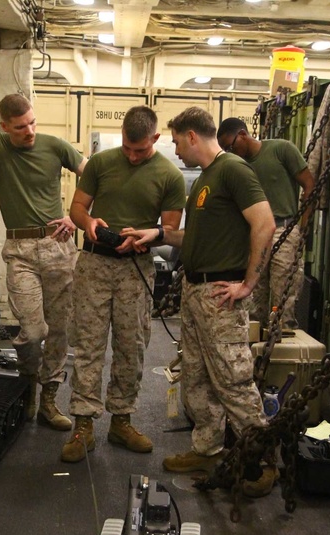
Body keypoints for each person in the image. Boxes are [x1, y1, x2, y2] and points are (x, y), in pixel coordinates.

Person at [122, 107, 275, 479]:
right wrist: (156, 234)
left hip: (221, 294)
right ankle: (207, 448)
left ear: (192, 136)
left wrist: (249, 283)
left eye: (175, 141)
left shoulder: (233, 170)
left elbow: (265, 222)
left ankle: (263, 464)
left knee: (233, 380)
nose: (174, 151)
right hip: (196, 290)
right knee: (197, 376)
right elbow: (195, 238)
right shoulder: (208, 179)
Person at [62, 106, 186, 463]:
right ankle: (83, 424)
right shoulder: (101, 164)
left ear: (156, 140)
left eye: (141, 150)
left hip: (136, 268)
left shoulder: (169, 175)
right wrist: (88, 221)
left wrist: (145, 238)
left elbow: (170, 228)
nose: (132, 156)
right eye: (128, 149)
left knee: (131, 345)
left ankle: (121, 419)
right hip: (95, 263)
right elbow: (77, 209)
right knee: (88, 343)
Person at [0, 93, 85, 432]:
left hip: (58, 246)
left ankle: (49, 397)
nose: (29, 131)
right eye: (20, 127)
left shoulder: (55, 145)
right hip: (20, 250)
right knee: (33, 331)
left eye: (32, 122)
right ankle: (27, 384)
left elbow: (93, 176)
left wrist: (78, 217)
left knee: (60, 329)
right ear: (4, 127)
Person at [216, 118, 315, 330]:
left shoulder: (281, 149)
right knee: (254, 294)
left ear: (243, 134)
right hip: (254, 233)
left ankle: (282, 343)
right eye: (225, 150)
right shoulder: (237, 166)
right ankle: (254, 345)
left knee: (283, 294)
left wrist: (302, 226)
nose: (230, 152)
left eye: (231, 146)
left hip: (284, 229)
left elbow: (309, 184)